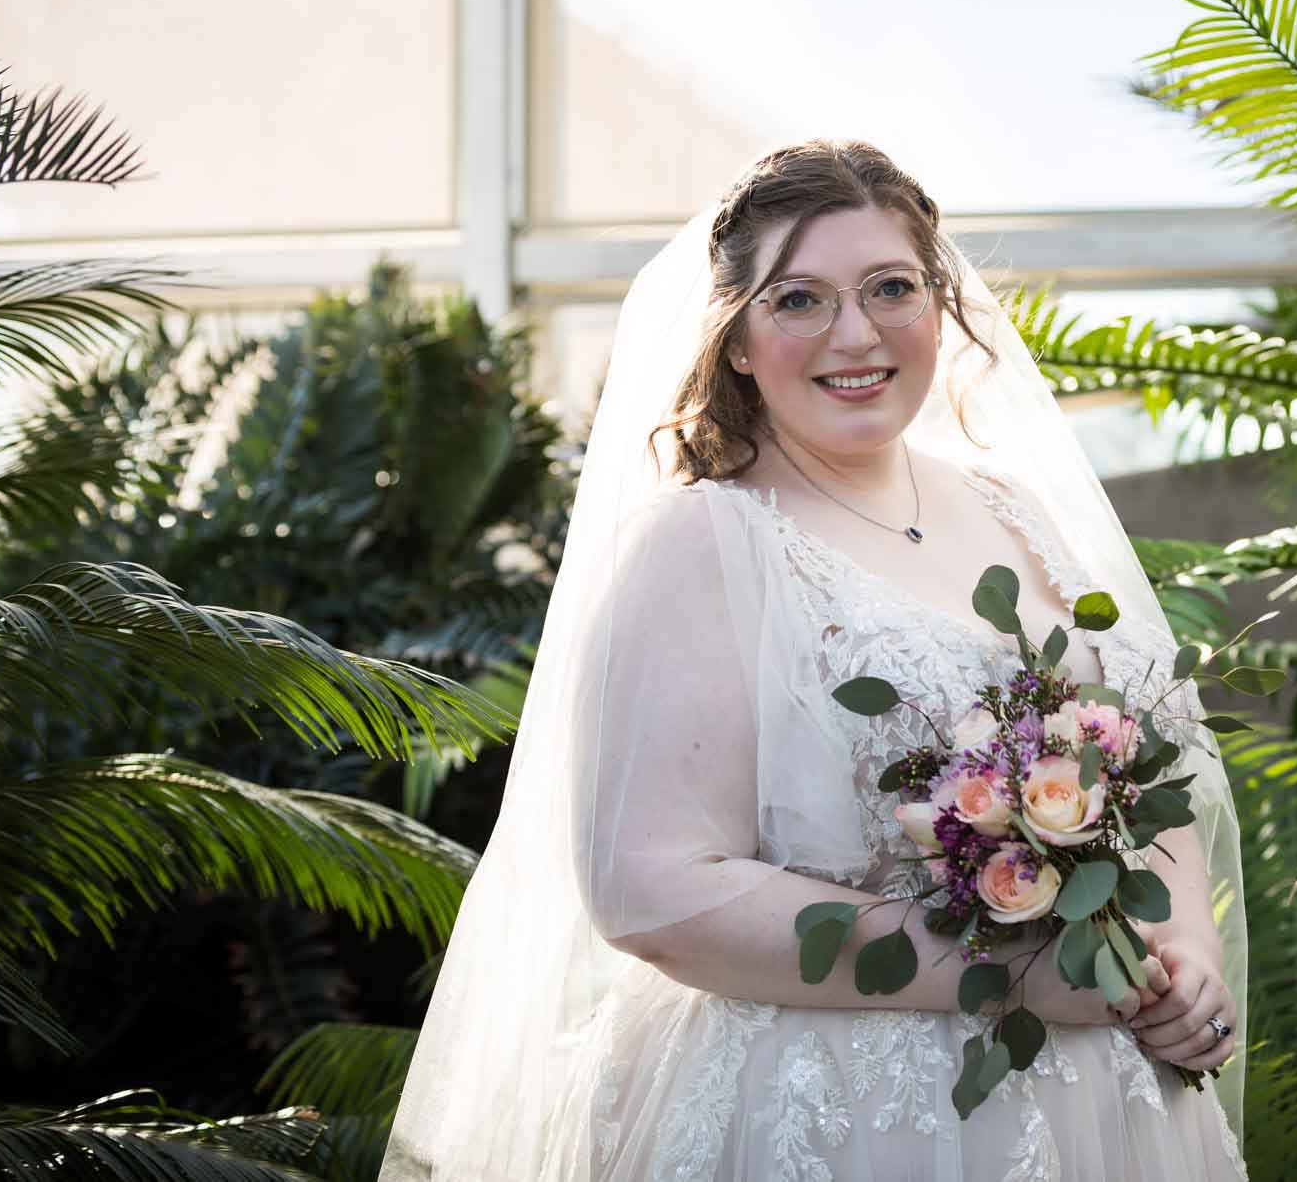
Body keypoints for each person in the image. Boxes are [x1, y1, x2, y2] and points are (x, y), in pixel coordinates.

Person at [380, 140, 1249, 1180]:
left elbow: (1146, 772)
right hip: (836, 1114)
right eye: (798, 300)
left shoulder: (1020, 518)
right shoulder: (703, 543)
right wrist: (1009, 969)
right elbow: (648, 888)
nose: (855, 334)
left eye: (890, 288)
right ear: (737, 339)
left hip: (1103, 1112)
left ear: (941, 303)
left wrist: (1185, 951)